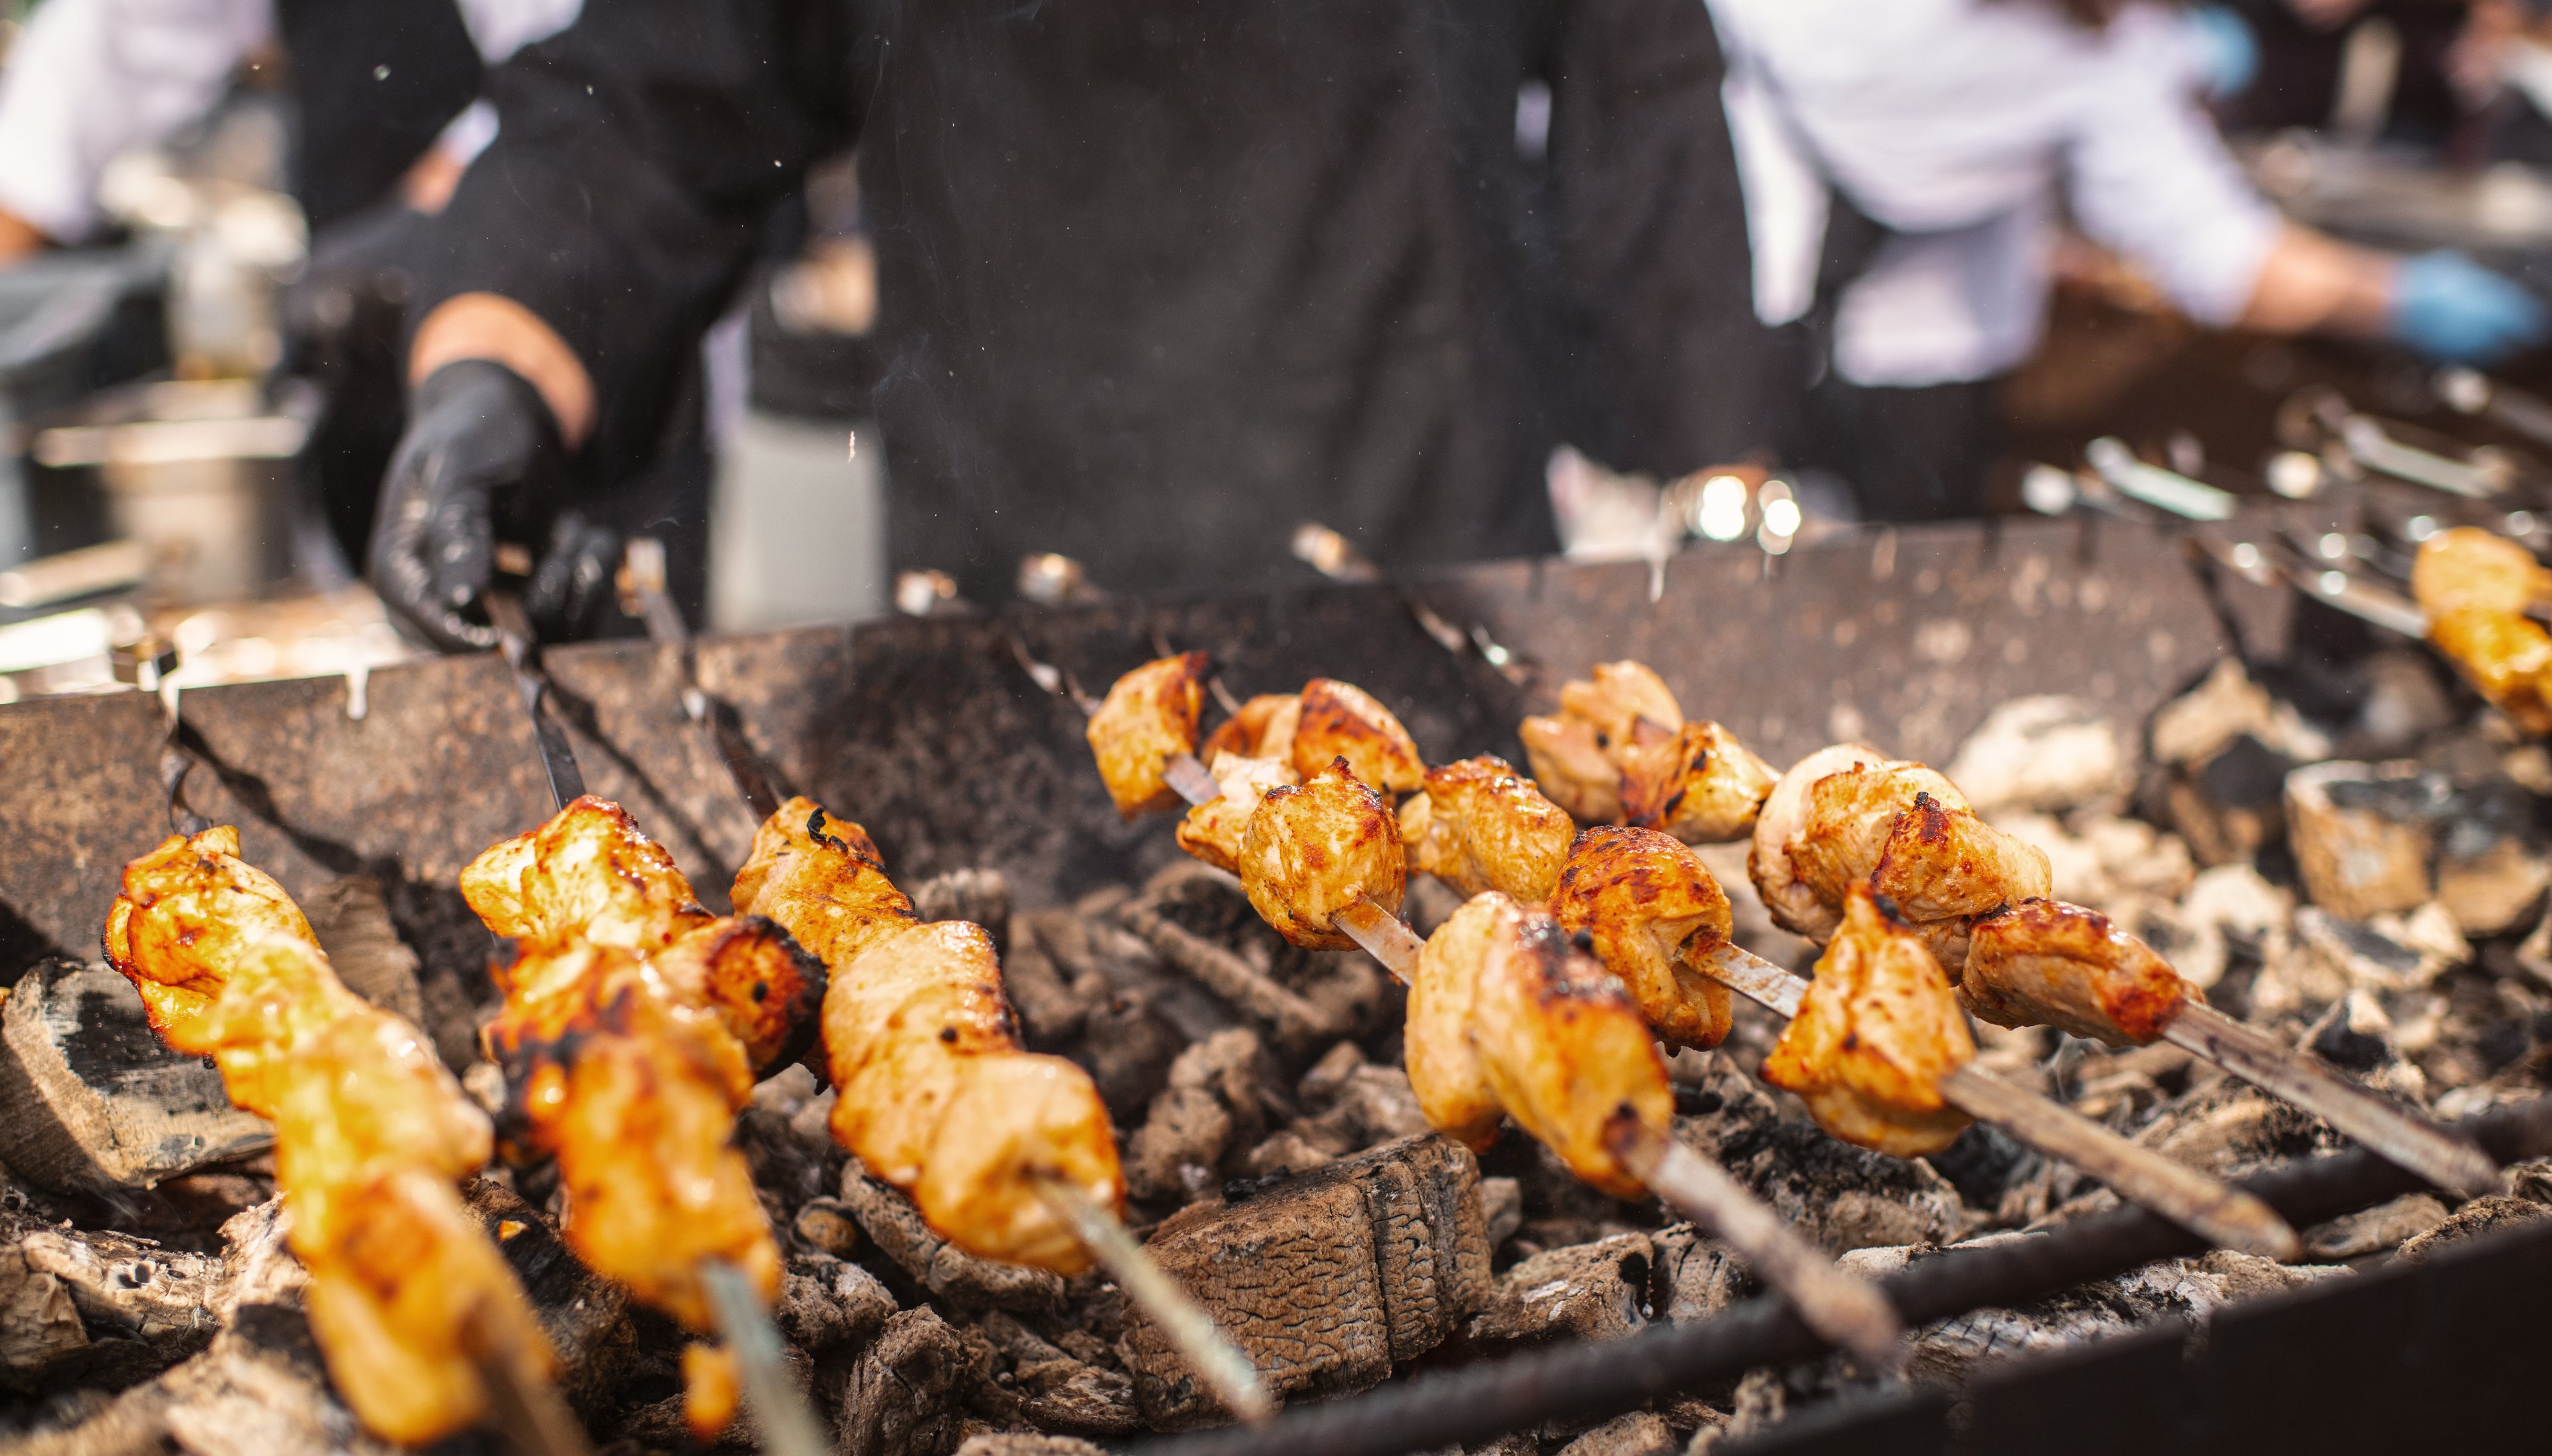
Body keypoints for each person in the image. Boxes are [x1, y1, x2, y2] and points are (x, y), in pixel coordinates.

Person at [362, 0, 1785, 651]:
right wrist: (493, 371)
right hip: (1015, 635)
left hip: (1431, 589)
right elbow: (653, 109)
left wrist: (1716, 471)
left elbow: (1640, 90)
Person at [1709, 0, 2549, 520]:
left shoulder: (2104, 43)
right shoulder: (2102, 55)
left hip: (1759, 282)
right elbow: (2228, 265)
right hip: (1873, 345)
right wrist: (2404, 298)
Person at [0, 0, 585, 566]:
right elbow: (98, 59)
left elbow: (589, 88)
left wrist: (418, 227)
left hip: (549, 316)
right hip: (359, 349)